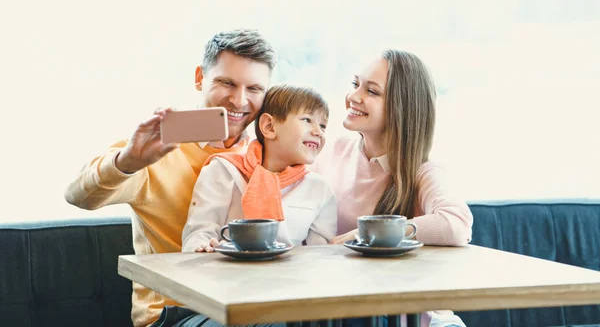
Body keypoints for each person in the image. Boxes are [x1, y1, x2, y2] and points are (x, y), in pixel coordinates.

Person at [64, 29, 276, 327]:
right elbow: (77, 195)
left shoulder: (267, 156)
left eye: (254, 89)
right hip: (175, 314)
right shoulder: (157, 149)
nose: (239, 100)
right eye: (226, 83)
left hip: (247, 308)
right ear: (200, 78)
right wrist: (128, 160)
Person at [317, 50, 473, 327]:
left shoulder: (422, 171)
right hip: (350, 312)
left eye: (372, 91)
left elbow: (457, 223)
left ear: (403, 107)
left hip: (422, 320)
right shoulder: (335, 151)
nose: (353, 97)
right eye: (356, 84)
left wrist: (376, 232)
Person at [182, 84, 337, 254]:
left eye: (323, 126)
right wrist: (202, 247)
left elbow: (319, 254)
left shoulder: (320, 188)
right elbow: (198, 233)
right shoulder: (223, 170)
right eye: (307, 120)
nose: (318, 132)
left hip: (289, 277)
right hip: (225, 274)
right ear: (269, 127)